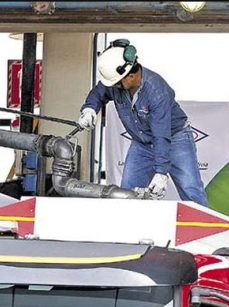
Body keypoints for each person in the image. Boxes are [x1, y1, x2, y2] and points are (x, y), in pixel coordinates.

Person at [78, 39, 208, 205]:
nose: (114, 87)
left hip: (175, 139)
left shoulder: (156, 90)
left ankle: (201, 221)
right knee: (127, 193)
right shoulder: (119, 80)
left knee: (191, 191)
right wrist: (89, 109)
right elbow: (99, 92)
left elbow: (161, 134)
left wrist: (161, 172)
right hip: (142, 143)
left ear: (131, 76)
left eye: (117, 83)